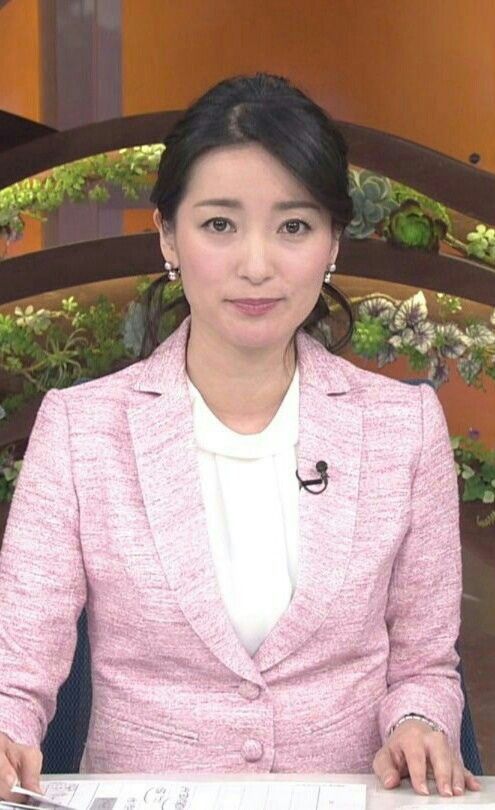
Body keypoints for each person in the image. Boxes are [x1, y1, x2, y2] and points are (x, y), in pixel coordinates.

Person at [0, 72, 481, 798]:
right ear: (168, 235)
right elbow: (16, 672)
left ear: (333, 243)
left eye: (294, 226)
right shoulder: (80, 430)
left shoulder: (403, 428)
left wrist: (419, 721)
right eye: (219, 225)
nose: (256, 266)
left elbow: (424, 665)